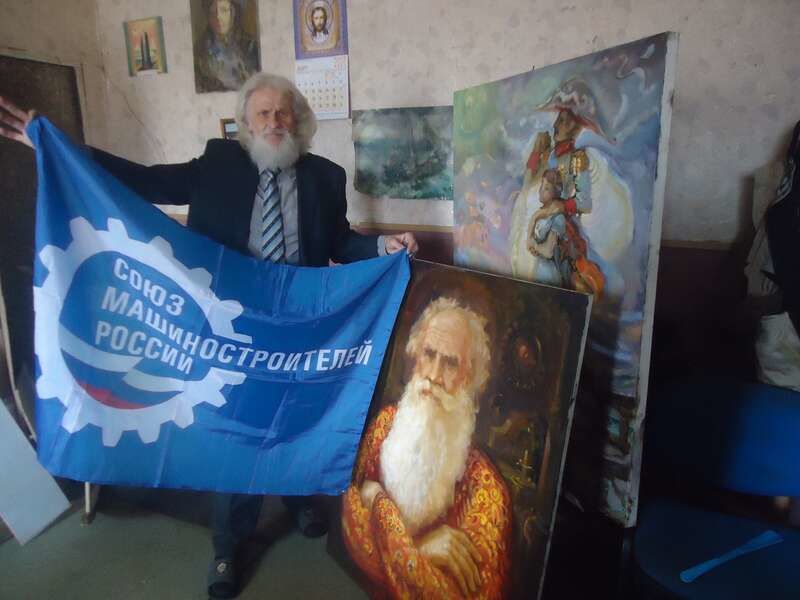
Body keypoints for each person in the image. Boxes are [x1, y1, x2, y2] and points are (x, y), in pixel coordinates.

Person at [0, 72, 418, 599]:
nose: (274, 121)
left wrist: (382, 248)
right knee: (239, 432)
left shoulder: (325, 177)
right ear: (246, 124)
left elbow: (339, 241)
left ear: (299, 122)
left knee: (293, 417)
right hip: (229, 329)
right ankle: (228, 544)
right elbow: (147, 181)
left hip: (299, 331)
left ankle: (295, 497)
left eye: (284, 112)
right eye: (263, 113)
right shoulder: (219, 163)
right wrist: (56, 146)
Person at [341, 297, 512, 599]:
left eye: (450, 363)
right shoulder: (386, 423)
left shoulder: (486, 489)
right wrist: (416, 552)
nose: (433, 375)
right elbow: (349, 525)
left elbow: (458, 595)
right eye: (429, 354)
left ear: (469, 377)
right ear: (415, 355)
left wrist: (376, 500)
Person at [194, 0, 260, 92]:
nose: (218, 17)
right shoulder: (199, 50)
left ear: (234, 13)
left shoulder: (251, 46)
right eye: (213, 12)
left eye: (224, 10)